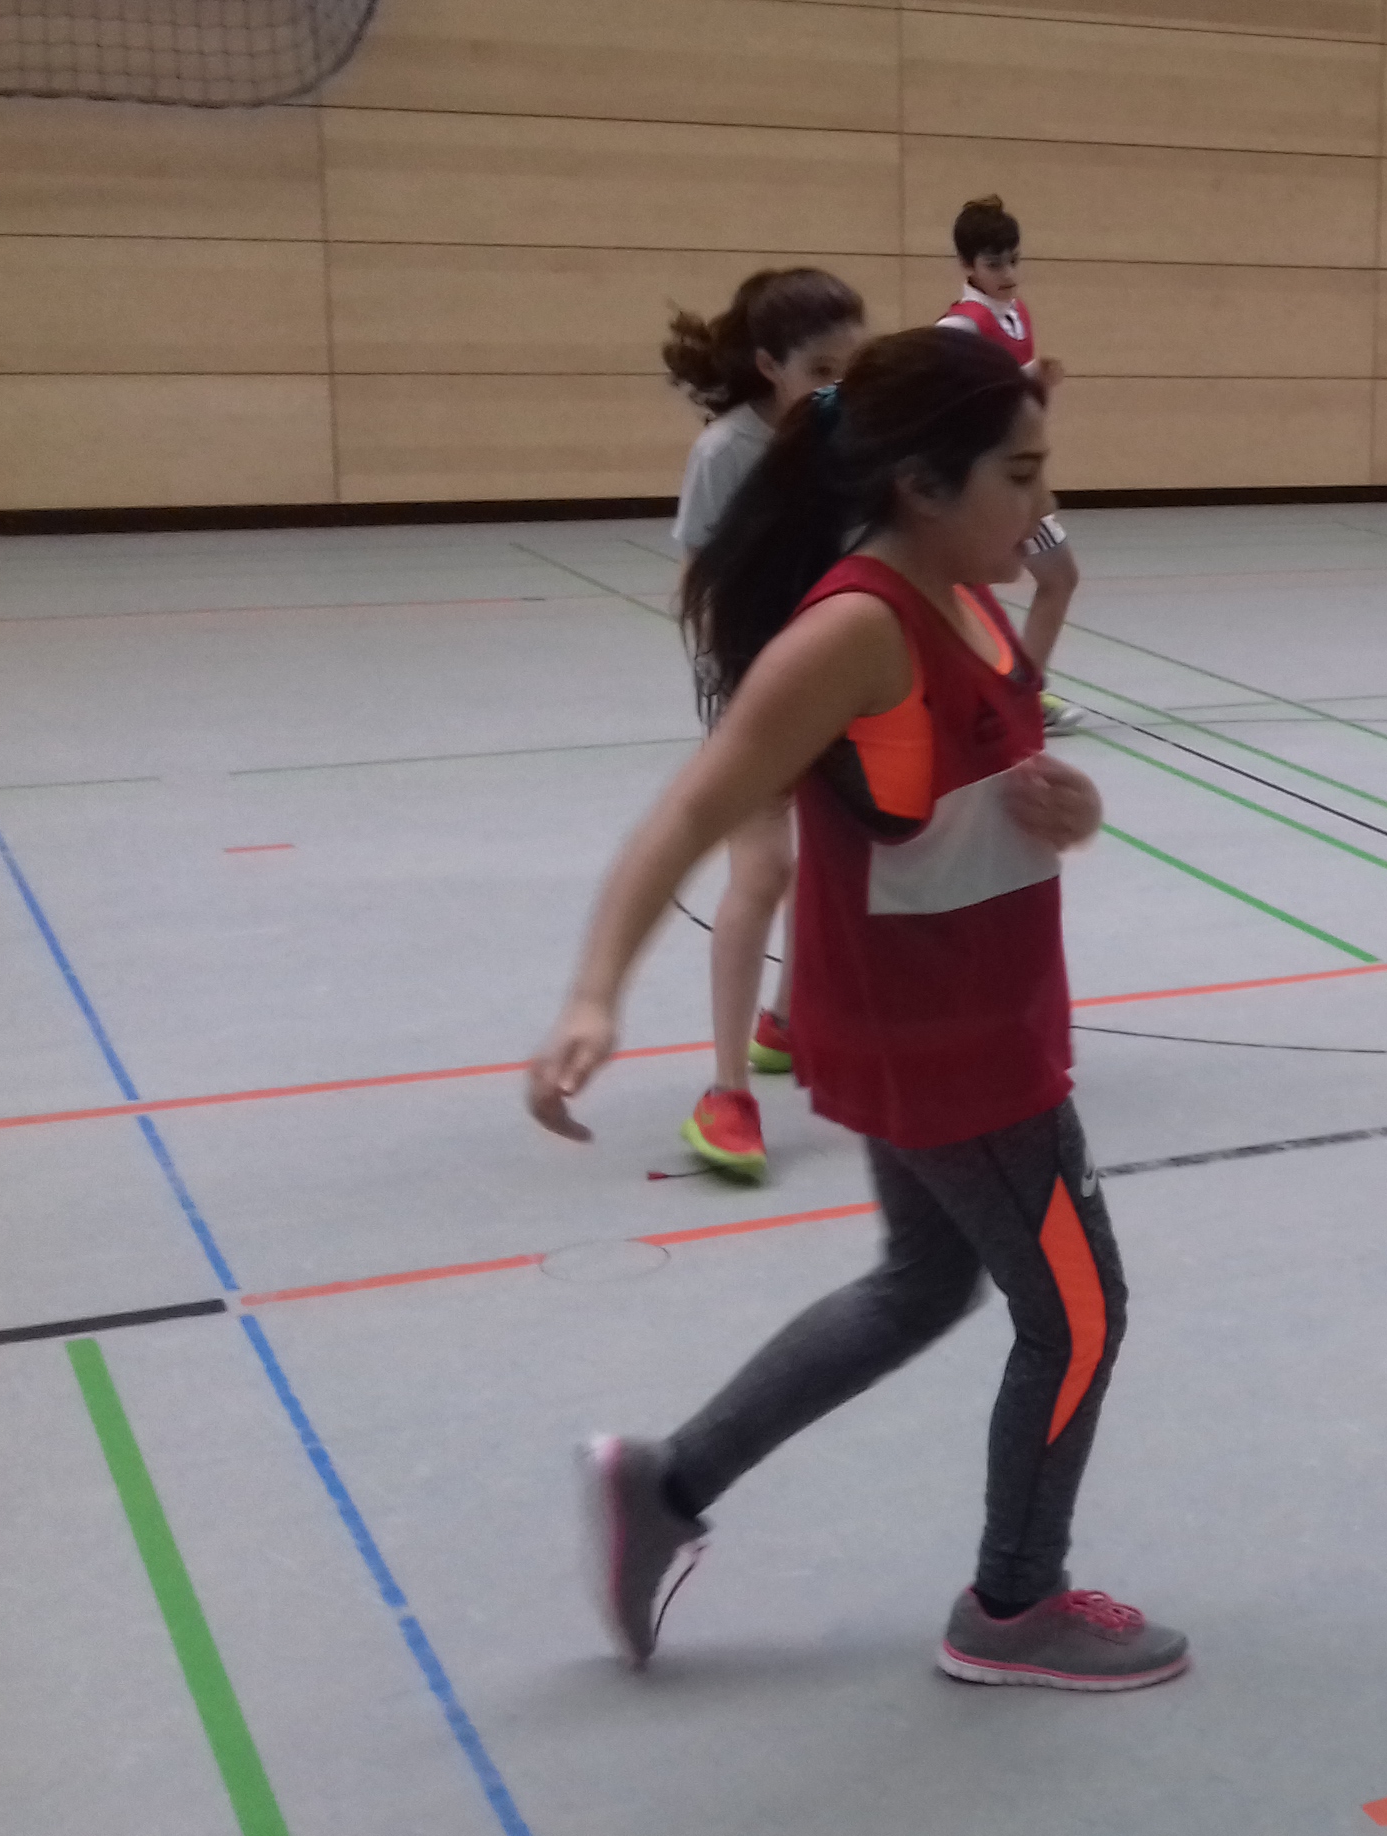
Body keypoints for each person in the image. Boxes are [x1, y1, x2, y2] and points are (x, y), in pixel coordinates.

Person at [531, 328, 1186, 1691]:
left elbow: (959, 794)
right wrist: (594, 993)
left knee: (922, 1284)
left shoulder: (969, 594)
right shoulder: (854, 629)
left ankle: (665, 1485)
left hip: (969, 1012)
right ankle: (1013, 1604)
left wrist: (1068, 809)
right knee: (1080, 1313)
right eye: (1020, 476)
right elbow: (691, 813)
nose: (1043, 507)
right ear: (920, 485)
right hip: (947, 1046)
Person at [657, 267, 868, 1180]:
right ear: (769, 365)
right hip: (753, 683)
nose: (838, 387)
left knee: (842, 854)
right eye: (820, 370)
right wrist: (747, 685)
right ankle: (727, 1091)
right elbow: (698, 582)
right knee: (766, 867)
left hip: (842, 677)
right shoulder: (726, 452)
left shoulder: (850, 437)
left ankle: (786, 1022)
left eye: (851, 369)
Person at [937, 193, 1089, 737]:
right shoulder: (959, 327)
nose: (1009, 274)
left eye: (1013, 260)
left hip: (1019, 477)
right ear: (967, 265)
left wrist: (1034, 382)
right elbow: (946, 402)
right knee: (965, 592)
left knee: (1059, 577)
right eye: (995, 264)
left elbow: (1010, 395)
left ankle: (1022, 692)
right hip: (981, 482)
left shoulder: (1017, 314)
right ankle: (991, 696)